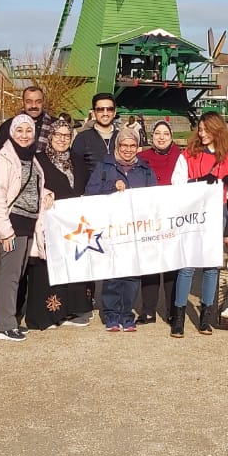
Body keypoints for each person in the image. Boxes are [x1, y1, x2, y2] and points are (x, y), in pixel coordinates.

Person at [0, 114, 50, 342]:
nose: (24, 135)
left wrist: (47, 194)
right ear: (11, 133)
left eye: (28, 131)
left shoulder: (32, 157)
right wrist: (5, 230)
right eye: (19, 130)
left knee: (18, 275)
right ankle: (4, 325)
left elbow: (32, 186)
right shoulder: (5, 157)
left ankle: (9, 320)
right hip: (13, 225)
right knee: (9, 276)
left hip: (29, 224)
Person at [172, 111, 228, 337]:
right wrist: (198, 182)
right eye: (200, 130)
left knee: (211, 265)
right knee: (188, 264)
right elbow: (177, 184)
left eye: (206, 130)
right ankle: (179, 317)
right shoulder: (189, 155)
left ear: (217, 130)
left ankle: (205, 317)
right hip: (193, 212)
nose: (201, 134)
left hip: (216, 212)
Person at [85, 128, 157, 331]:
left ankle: (126, 314)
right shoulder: (105, 166)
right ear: (117, 145)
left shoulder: (145, 170)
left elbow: (154, 200)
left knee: (132, 274)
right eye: (124, 145)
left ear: (137, 147)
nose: (128, 149)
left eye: (132, 145)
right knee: (113, 273)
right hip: (111, 229)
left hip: (135, 230)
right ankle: (111, 314)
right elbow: (90, 194)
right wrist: (111, 187)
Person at [65, 92, 120, 326]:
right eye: (100, 109)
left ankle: (111, 305)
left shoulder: (122, 136)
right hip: (90, 203)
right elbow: (75, 169)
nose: (105, 113)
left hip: (117, 205)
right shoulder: (83, 139)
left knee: (113, 255)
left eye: (109, 109)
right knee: (87, 253)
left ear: (114, 112)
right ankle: (84, 302)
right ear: (94, 112)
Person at [28, 118, 79, 330]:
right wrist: (44, 195)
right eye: (58, 134)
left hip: (70, 224)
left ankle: (62, 312)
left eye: (67, 135)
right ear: (50, 136)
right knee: (44, 269)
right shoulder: (38, 160)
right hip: (47, 222)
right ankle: (41, 316)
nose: (62, 139)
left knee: (65, 267)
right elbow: (30, 185)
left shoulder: (76, 160)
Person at [136, 120, 188, 324]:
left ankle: (171, 310)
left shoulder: (181, 157)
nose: (161, 137)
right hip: (149, 216)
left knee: (171, 265)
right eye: (157, 133)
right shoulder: (142, 158)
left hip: (172, 217)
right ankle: (148, 310)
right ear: (152, 136)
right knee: (149, 264)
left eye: (166, 133)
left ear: (171, 136)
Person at [0, 86, 56, 151]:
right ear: (23, 102)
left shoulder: (56, 125)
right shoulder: (8, 126)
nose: (34, 106)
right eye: (29, 102)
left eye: (38, 102)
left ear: (43, 102)